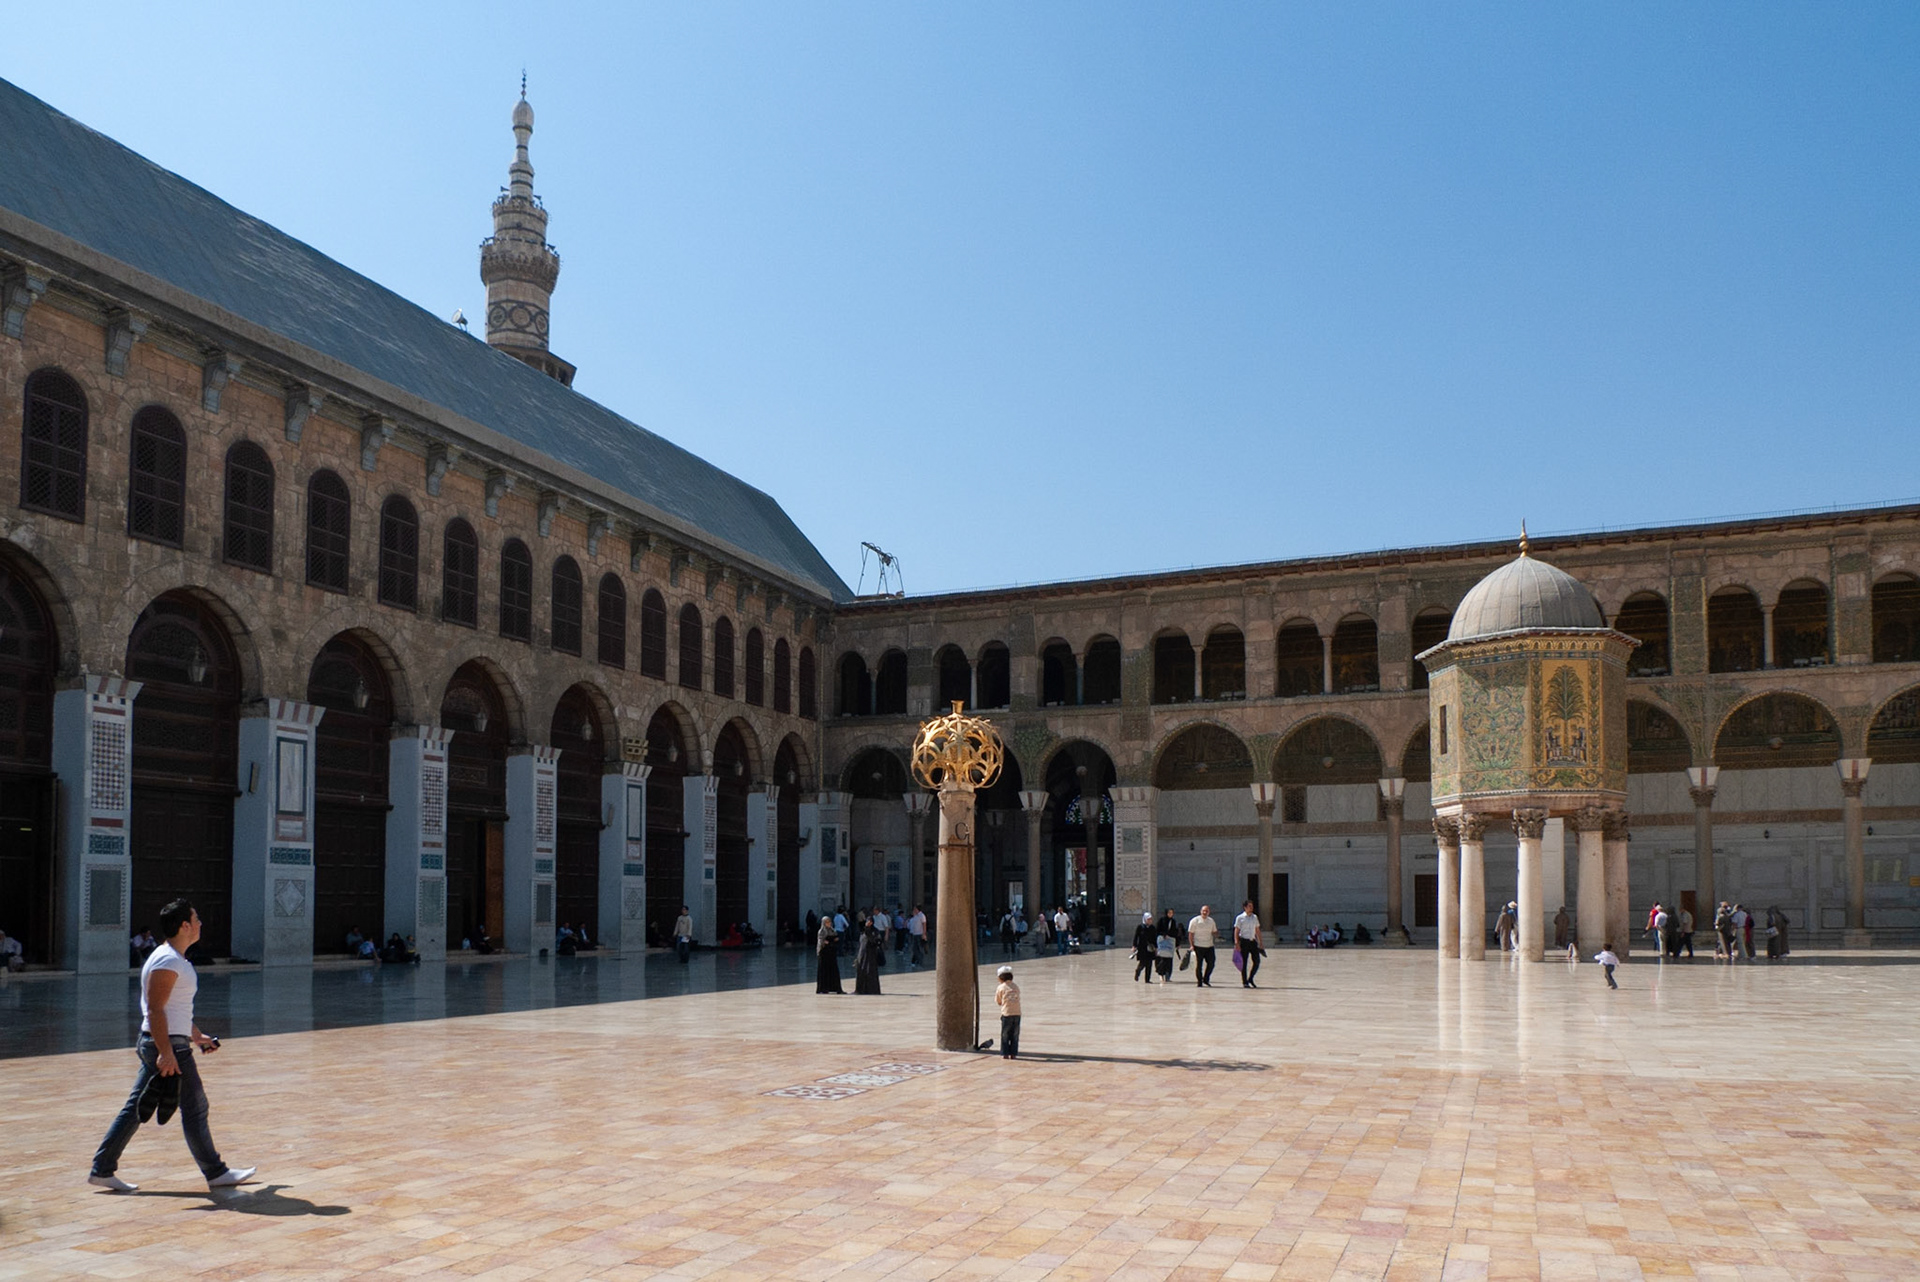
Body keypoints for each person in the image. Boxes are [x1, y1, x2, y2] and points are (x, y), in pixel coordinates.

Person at [88, 898, 254, 1193]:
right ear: (184, 925)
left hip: (165, 1042)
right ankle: (215, 1172)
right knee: (195, 1106)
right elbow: (155, 1009)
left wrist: (197, 1036)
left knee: (137, 1108)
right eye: (196, 918)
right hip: (165, 1046)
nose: (201, 923)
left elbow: (174, 1010)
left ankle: (102, 1168)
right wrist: (166, 1052)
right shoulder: (167, 960)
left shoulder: (173, 958)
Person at [1186, 905, 1220, 988]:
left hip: (1209, 946)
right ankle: (1199, 981)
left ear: (1209, 912)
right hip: (1198, 946)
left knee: (1211, 963)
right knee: (1198, 965)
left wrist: (1217, 935)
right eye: (1203, 911)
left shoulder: (1211, 921)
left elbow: (1214, 931)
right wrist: (1191, 945)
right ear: (1201, 911)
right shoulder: (1195, 921)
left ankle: (1206, 978)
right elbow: (1191, 934)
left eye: (1206, 911)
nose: (1205, 912)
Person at [1233, 900, 1264, 987]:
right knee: (1244, 962)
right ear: (1245, 907)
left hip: (1252, 941)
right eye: (1249, 906)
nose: (1251, 908)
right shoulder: (1240, 918)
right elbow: (1236, 930)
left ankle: (1250, 978)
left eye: (1252, 906)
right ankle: (1245, 981)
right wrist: (1236, 942)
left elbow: (1257, 930)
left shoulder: (1255, 917)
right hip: (1244, 941)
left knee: (1256, 961)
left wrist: (1260, 942)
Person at [994, 965, 1021, 1059]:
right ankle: (1013, 1053)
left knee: (1005, 1034)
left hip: (1006, 1013)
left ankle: (1005, 1053)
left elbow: (998, 1001)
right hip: (1017, 1013)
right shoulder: (1016, 986)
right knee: (1015, 1034)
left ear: (1001, 978)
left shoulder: (1001, 987)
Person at [815, 915, 844, 994]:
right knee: (824, 971)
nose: (829, 924)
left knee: (833, 971)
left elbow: (836, 939)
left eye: (829, 922)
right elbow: (822, 942)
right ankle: (823, 988)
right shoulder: (821, 931)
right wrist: (830, 941)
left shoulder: (832, 930)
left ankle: (835, 988)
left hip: (831, 953)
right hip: (824, 954)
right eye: (827, 922)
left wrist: (833, 941)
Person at [853, 920, 883, 995]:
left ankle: (871, 990)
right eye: (867, 922)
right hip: (862, 954)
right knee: (861, 971)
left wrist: (868, 931)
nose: (868, 923)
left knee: (870, 971)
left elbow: (875, 941)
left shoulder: (875, 931)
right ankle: (860, 989)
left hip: (871, 955)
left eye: (870, 922)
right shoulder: (863, 931)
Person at [1131, 912, 1157, 983]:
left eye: (1151, 919)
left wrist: (1156, 948)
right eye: (1148, 919)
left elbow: (1155, 938)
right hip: (1142, 948)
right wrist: (1134, 946)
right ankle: (1138, 971)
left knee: (1149, 964)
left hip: (1150, 948)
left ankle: (1147, 980)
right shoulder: (1140, 927)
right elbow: (1136, 937)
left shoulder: (1153, 928)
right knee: (1143, 963)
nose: (1150, 921)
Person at [1153, 911, 1178, 983]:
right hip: (1162, 943)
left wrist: (1177, 943)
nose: (1170, 914)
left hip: (1170, 944)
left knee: (1169, 960)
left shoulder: (1173, 922)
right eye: (1169, 913)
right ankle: (1161, 974)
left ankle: (1168, 976)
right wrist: (1163, 934)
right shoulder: (1162, 920)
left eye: (1172, 913)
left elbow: (1175, 932)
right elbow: (1157, 931)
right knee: (1162, 959)